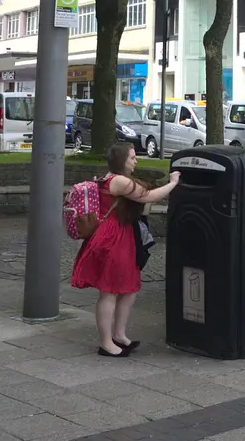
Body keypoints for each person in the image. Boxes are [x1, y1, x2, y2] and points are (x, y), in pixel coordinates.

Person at [70, 142, 180, 357]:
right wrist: (173, 182)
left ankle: (119, 335)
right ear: (122, 161)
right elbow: (149, 196)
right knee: (109, 291)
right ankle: (106, 343)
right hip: (113, 238)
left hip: (120, 236)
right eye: (132, 157)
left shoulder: (111, 178)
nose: (135, 160)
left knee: (128, 289)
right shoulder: (118, 181)